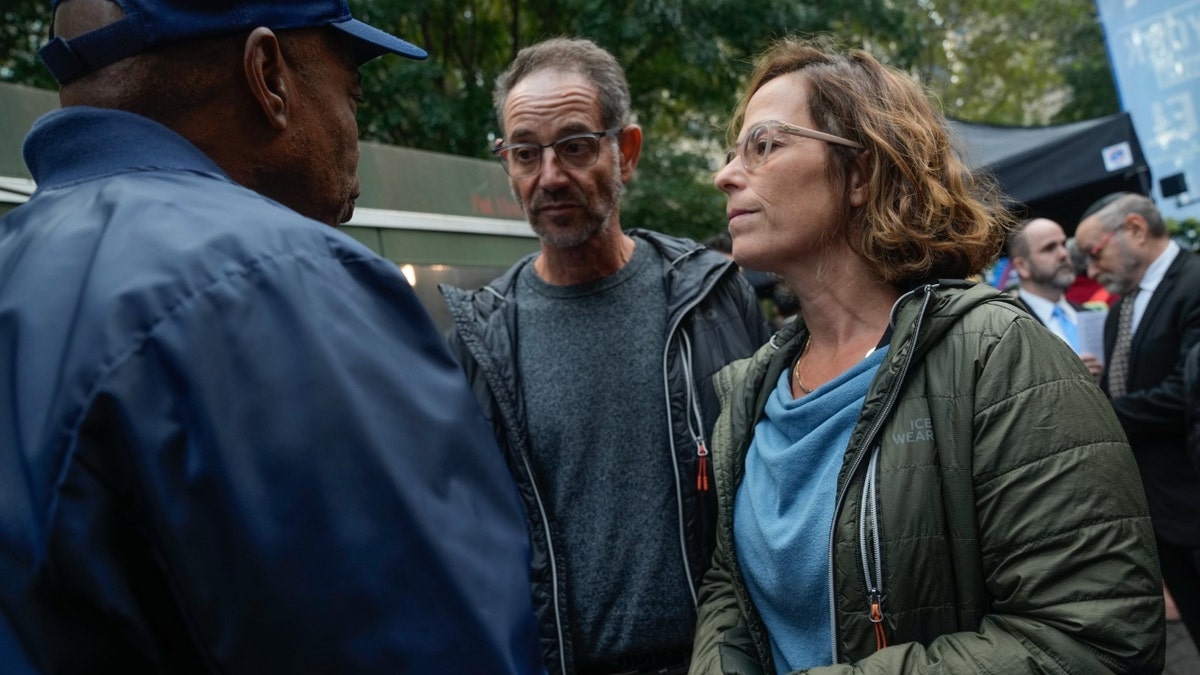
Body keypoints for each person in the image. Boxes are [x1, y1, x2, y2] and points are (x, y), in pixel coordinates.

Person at [0, 1, 542, 672]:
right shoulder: (283, 281)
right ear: (268, 76)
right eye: (352, 91)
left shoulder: (21, 265)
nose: (354, 125)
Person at [690, 37, 1164, 674]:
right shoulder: (751, 392)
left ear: (861, 173)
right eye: (732, 151)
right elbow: (730, 590)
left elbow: (1095, 640)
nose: (726, 174)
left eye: (765, 145)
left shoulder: (996, 355)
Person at [439, 37, 771, 675]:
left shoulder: (714, 297)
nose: (550, 176)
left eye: (575, 145)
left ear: (627, 151)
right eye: (525, 153)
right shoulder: (482, 340)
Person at [1075, 191, 1200, 655]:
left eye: (1094, 252)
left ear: (1135, 229)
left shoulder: (1193, 283)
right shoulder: (1116, 312)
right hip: (1159, 512)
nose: (1090, 271)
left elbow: (1184, 392)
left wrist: (1099, 414)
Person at [1006, 217, 1103, 378]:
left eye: (1063, 245)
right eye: (1049, 248)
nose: (1064, 254)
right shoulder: (1011, 326)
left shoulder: (1088, 315)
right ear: (1022, 267)